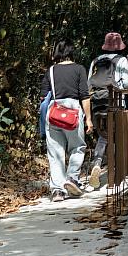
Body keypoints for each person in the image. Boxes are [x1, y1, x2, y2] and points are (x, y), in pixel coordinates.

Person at [40, 39, 94, 202]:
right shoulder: (79, 69)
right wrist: (88, 119)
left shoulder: (51, 70)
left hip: (54, 111)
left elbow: (43, 96)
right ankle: (71, 178)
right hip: (73, 111)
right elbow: (84, 96)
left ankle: (57, 191)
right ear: (71, 52)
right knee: (77, 147)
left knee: (55, 152)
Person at [87, 32, 128, 189]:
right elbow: (127, 82)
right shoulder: (121, 60)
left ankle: (97, 163)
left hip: (97, 104)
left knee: (103, 136)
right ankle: (115, 174)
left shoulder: (95, 61)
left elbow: (89, 83)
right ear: (119, 47)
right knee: (117, 136)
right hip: (115, 103)